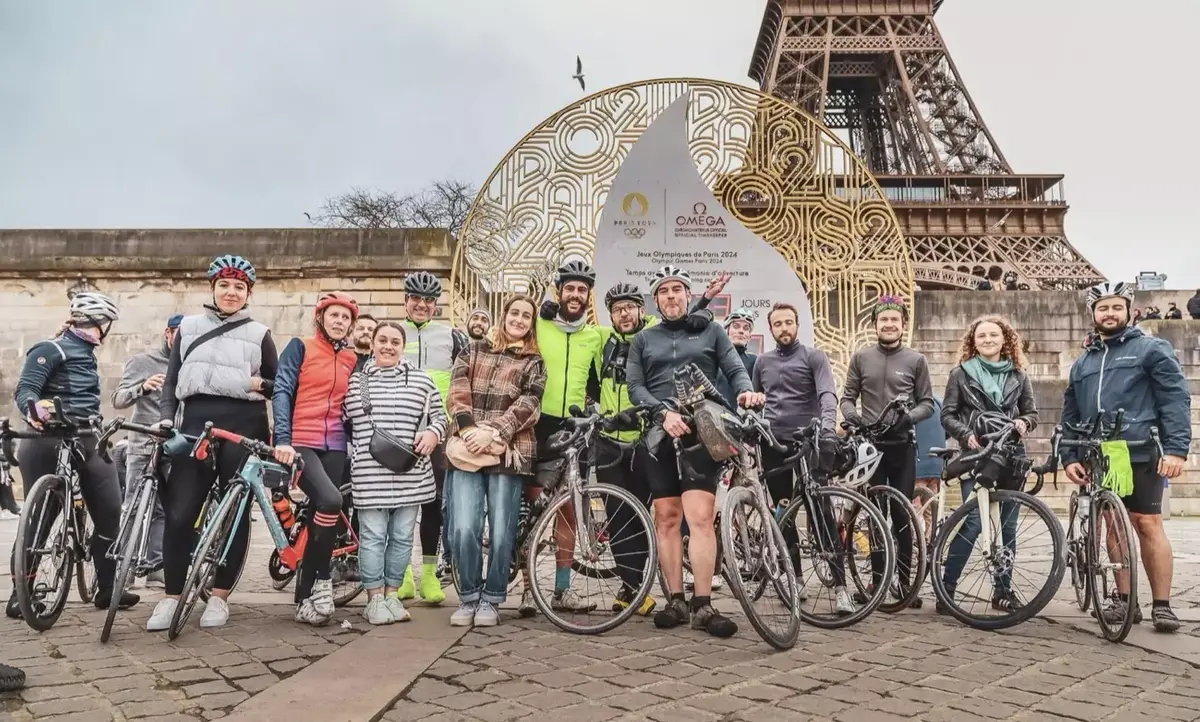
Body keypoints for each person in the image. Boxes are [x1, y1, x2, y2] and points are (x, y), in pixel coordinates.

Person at [626, 265, 765, 638]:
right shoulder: (643, 339)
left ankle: (702, 603)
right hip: (659, 432)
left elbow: (735, 369)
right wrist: (661, 412)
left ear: (688, 296)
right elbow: (635, 387)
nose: (672, 296)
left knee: (701, 518)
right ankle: (675, 598)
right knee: (667, 519)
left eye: (678, 290)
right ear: (655, 300)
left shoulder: (712, 331)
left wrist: (745, 392)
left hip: (701, 434)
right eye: (664, 291)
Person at [145, 255, 277, 632]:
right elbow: (171, 382)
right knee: (180, 513)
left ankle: (219, 597)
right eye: (225, 285)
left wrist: (250, 384)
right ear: (212, 288)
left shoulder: (260, 333)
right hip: (194, 428)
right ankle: (171, 598)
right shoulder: (188, 328)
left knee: (233, 517)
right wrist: (167, 419)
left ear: (248, 293)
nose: (231, 292)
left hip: (245, 429)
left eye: (239, 287)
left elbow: (278, 385)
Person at [1062, 281, 1192, 632]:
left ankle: (1162, 605)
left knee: (1147, 523)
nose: (1109, 313)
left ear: (1130, 311)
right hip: (1101, 453)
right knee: (1112, 525)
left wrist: (1177, 449)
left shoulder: (1152, 349)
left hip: (1139, 449)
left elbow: (1175, 400)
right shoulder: (1083, 362)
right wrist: (1069, 454)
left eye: (1116, 307)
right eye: (1102, 308)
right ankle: (1123, 600)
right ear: (1092, 314)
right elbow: (1070, 412)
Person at [6, 291, 136, 618]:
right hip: (47, 437)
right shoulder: (51, 348)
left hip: (88, 435)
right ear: (100, 324)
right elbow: (26, 389)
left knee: (109, 510)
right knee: (40, 516)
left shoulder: (86, 353)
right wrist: (34, 408)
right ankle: (20, 593)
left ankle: (107, 589)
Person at [445, 295, 547, 627]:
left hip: (509, 449)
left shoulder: (534, 361)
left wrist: (494, 432)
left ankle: (492, 598)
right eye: (514, 313)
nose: (519, 319)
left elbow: (530, 403)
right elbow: (457, 390)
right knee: (463, 528)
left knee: (502, 531)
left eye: (526, 316)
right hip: (467, 446)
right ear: (503, 316)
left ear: (532, 323)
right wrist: (469, 429)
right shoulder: (472, 350)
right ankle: (469, 595)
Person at [343, 321, 447, 625]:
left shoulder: (422, 381)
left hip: (411, 472)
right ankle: (373, 598)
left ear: (403, 347)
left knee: (402, 538)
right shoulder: (356, 383)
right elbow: (344, 423)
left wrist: (432, 434)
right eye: (382, 340)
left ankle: (391, 594)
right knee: (373, 536)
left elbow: (440, 416)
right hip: (369, 473)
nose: (388, 347)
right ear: (372, 344)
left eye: (395, 342)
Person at [839, 295, 935, 609]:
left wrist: (909, 417)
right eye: (884, 320)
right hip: (870, 446)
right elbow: (847, 397)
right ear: (875, 325)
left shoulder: (916, 360)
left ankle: (905, 582)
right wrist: (852, 417)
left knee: (902, 515)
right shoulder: (861, 357)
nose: (889, 324)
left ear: (903, 325)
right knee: (874, 514)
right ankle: (879, 580)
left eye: (895, 319)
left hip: (902, 445)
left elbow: (927, 403)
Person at [271, 292, 361, 625]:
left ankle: (302, 600)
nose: (339, 322)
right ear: (321, 318)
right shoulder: (301, 346)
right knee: (330, 499)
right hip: (300, 441)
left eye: (345, 318)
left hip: (335, 443)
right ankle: (322, 581)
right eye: (334, 315)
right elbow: (281, 389)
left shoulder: (351, 359)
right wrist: (283, 439)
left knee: (320, 519)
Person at [938, 315, 1038, 612]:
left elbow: (1032, 413)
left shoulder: (1019, 375)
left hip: (1010, 455)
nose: (988, 340)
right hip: (977, 454)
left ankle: (1002, 591)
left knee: (1007, 528)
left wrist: (1023, 422)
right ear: (973, 340)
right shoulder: (960, 374)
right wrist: (966, 435)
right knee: (973, 522)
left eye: (994, 335)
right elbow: (947, 414)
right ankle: (948, 587)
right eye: (981, 336)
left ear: (1005, 339)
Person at [527, 260, 607, 615]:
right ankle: (530, 588)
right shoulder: (539, 324)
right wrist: (539, 308)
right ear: (558, 291)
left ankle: (562, 589)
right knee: (531, 506)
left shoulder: (594, 335)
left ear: (588, 296)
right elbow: (509, 322)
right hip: (536, 423)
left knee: (569, 511)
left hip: (575, 428)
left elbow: (637, 329)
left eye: (581, 289)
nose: (575, 294)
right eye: (569, 288)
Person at [397, 271, 467, 605]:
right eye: (416, 299)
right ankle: (401, 574)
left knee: (433, 503)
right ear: (406, 301)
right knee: (398, 503)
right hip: (399, 429)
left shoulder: (452, 337)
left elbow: (464, 382)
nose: (422, 305)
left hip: (440, 430)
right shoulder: (393, 333)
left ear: (436, 304)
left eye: (428, 300)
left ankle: (427, 574)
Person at [593, 282, 658, 616]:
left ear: (641, 310)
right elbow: (568, 336)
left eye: (630, 307)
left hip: (644, 439)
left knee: (641, 515)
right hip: (607, 441)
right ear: (611, 315)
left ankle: (634, 586)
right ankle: (632, 588)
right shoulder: (601, 341)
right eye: (618, 309)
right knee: (617, 515)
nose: (624, 314)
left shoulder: (654, 339)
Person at [111, 313, 184, 589]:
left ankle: (156, 566)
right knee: (132, 506)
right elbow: (117, 400)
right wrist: (142, 387)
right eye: (179, 334)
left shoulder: (190, 365)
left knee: (164, 510)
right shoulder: (143, 362)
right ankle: (124, 568)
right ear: (168, 333)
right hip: (142, 445)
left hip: (174, 448)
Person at [715, 308, 757, 408]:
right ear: (727, 331)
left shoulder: (755, 361)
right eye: (736, 327)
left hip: (739, 420)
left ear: (749, 337)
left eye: (746, 328)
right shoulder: (712, 358)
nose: (741, 331)